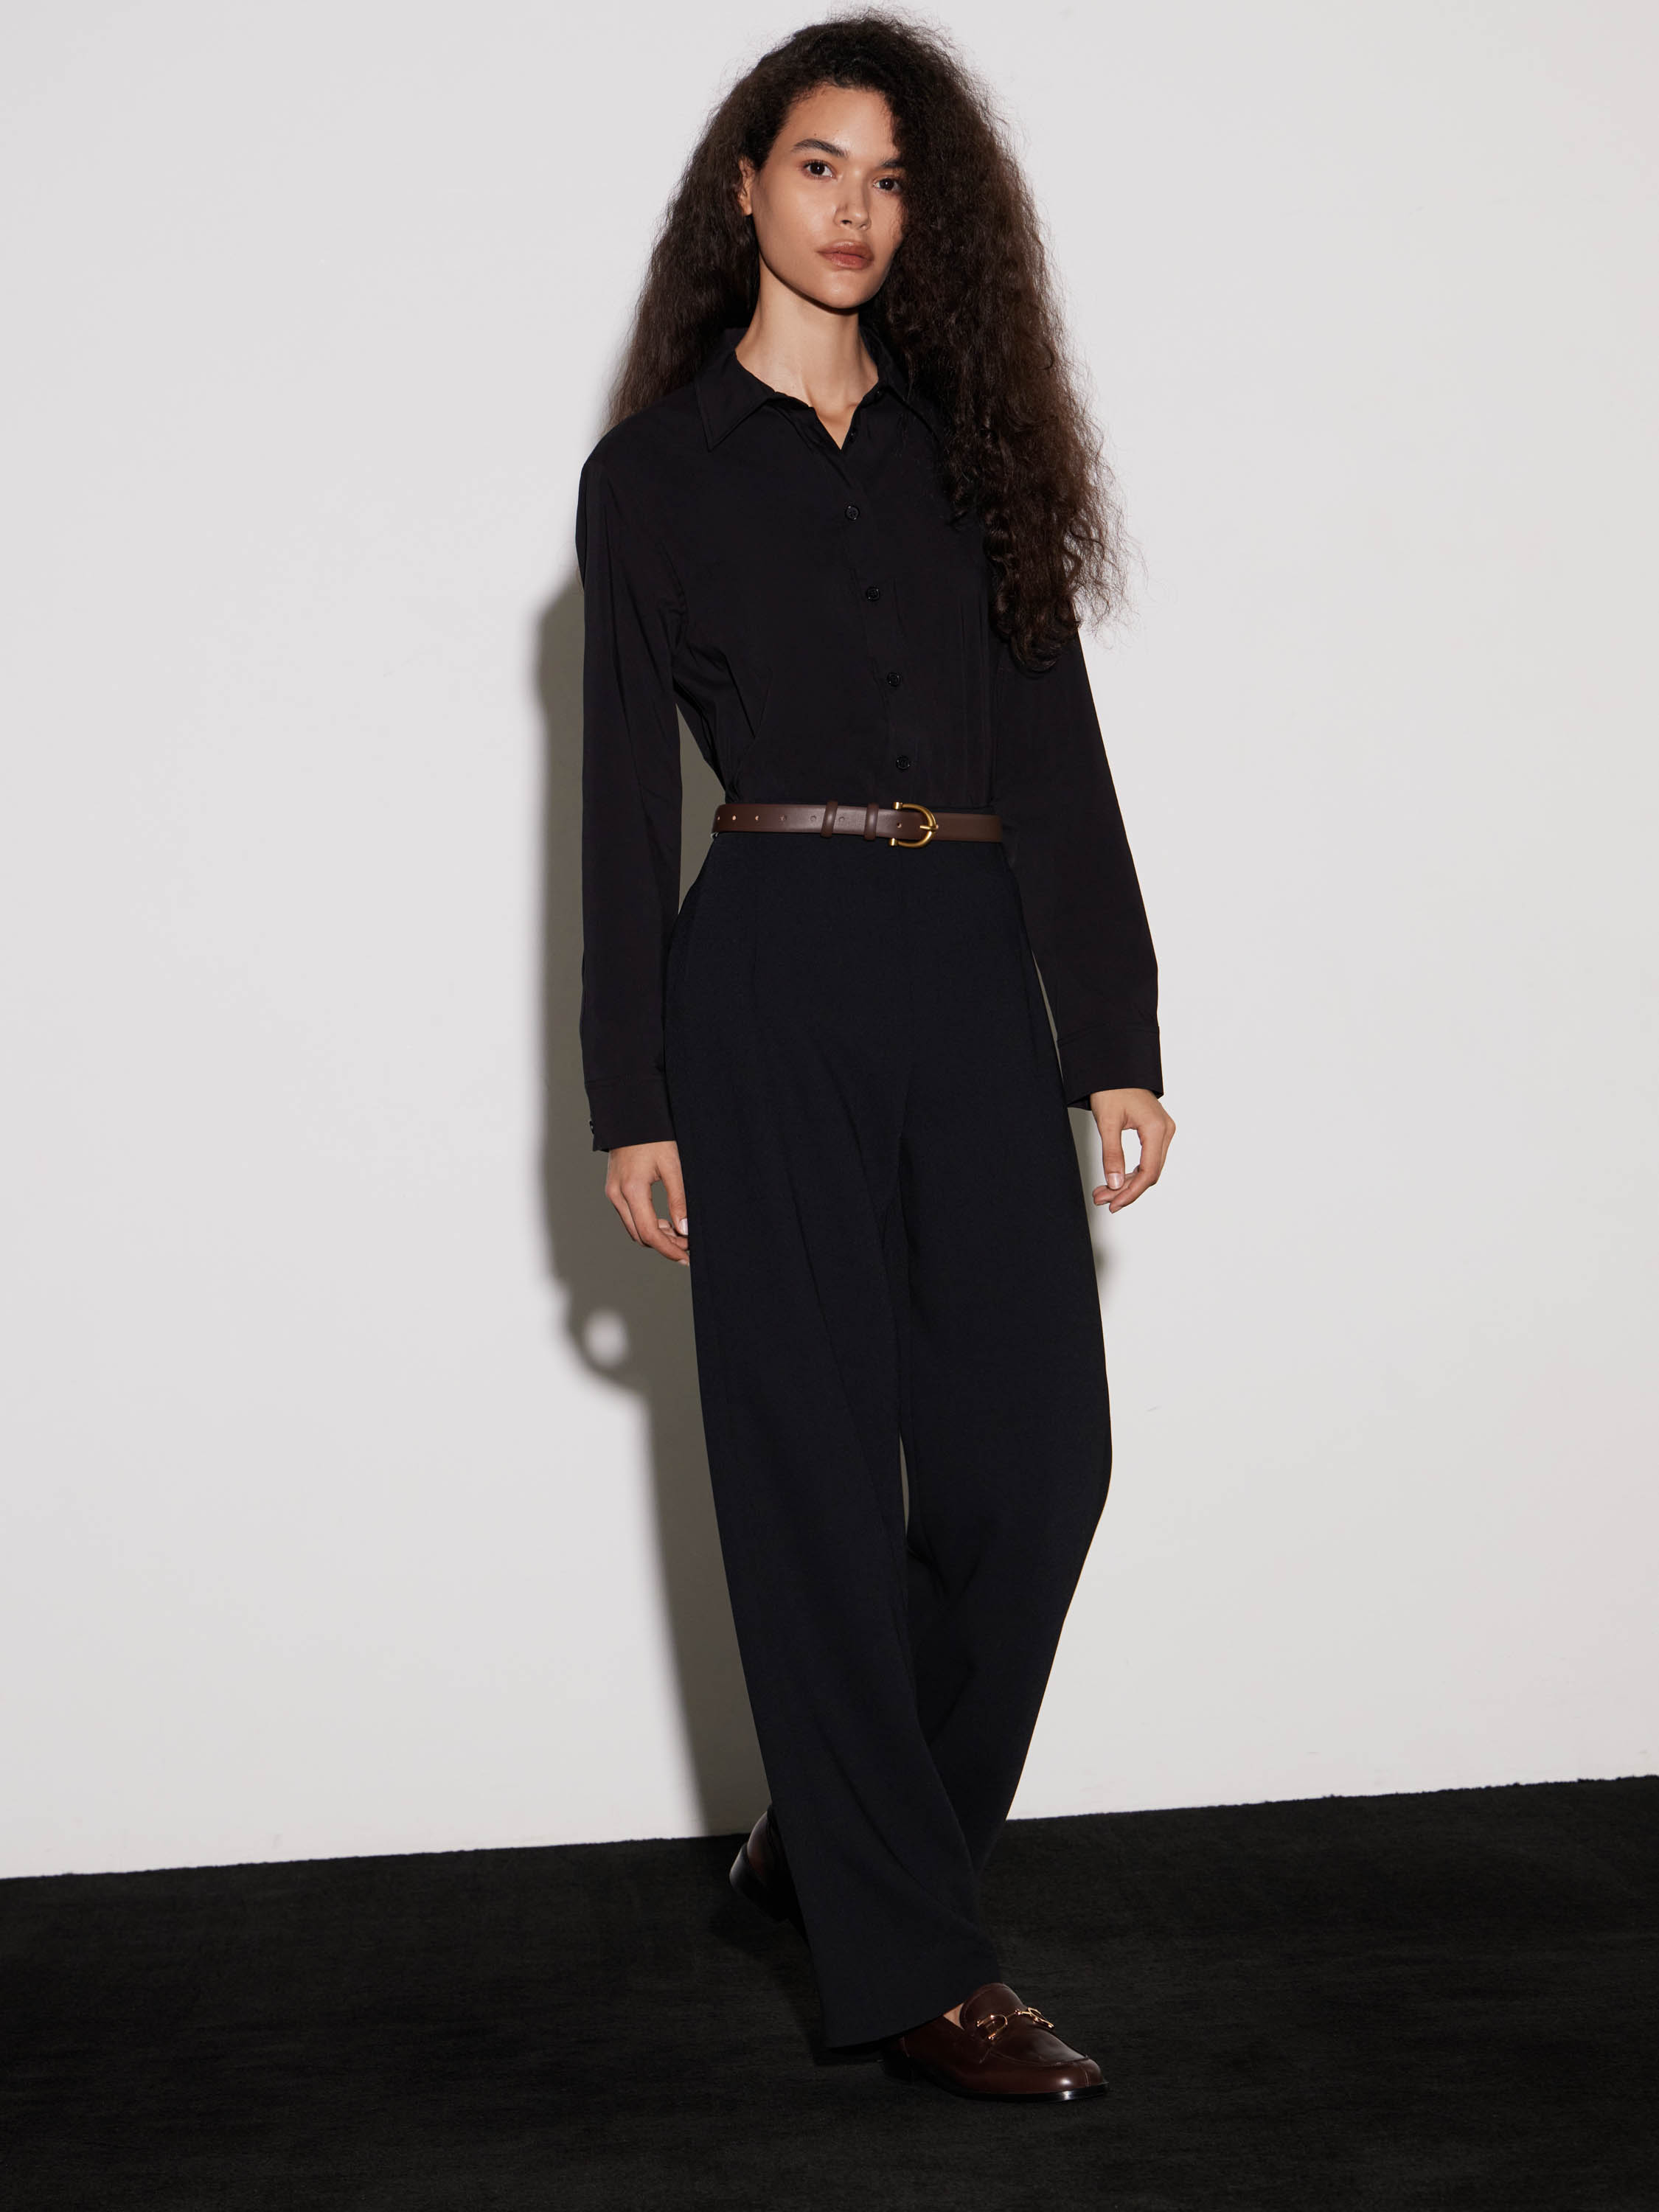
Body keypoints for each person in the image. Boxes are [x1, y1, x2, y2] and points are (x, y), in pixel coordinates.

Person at [574, 15, 1174, 2101]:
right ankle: (918, 1963)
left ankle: (835, 1840)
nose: (854, 209)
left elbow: (1054, 752)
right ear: (744, 186)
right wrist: (629, 1095)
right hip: (766, 974)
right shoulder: (655, 476)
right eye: (819, 166)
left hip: (969, 969)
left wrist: (1110, 1035)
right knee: (812, 1478)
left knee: (1037, 1464)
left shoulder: (968, 447)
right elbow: (613, 801)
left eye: (894, 179)